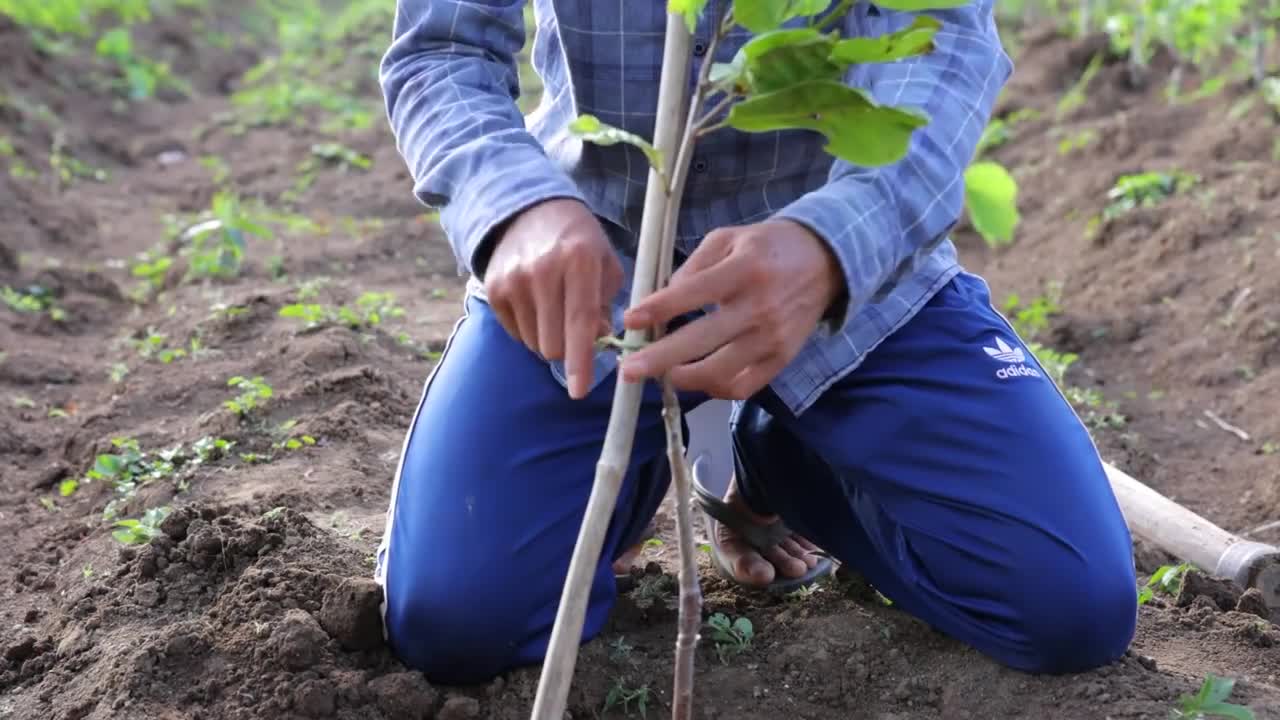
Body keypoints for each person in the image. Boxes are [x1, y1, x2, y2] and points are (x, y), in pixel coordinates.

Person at [373, 0, 1139, 687]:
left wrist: (831, 245)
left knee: (1067, 604)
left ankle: (782, 458)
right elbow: (441, 50)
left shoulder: (840, 254)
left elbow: (942, 42)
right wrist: (513, 205)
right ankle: (631, 473)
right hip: (600, 270)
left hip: (847, 270)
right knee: (456, 621)